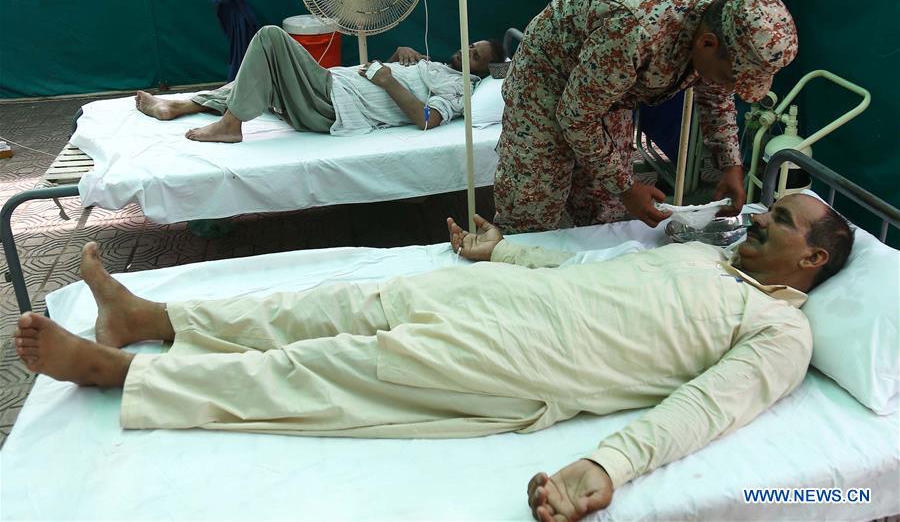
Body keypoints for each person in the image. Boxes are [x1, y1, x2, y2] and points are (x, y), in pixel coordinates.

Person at [14, 194, 852, 521]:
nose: (758, 219)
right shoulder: (706, 256)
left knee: (329, 369)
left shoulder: (781, 332)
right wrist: (505, 254)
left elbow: (703, 410)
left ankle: (122, 372)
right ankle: (150, 316)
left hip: (523, 359)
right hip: (506, 298)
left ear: (812, 259)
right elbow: (594, 274)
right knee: (323, 305)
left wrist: (608, 467)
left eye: (780, 221)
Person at [494, 0, 799, 234]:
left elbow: (716, 95)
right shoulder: (636, 31)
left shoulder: (727, 16)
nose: (728, 87)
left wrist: (731, 165)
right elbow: (576, 118)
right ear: (707, 43)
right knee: (532, 205)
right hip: (546, 78)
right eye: (729, 77)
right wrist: (626, 187)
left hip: (608, 85)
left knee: (605, 210)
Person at [134, 26, 505, 143]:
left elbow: (426, 119)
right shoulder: (438, 66)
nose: (465, 51)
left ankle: (231, 125)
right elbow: (387, 76)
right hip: (332, 88)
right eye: (470, 46)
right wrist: (397, 57)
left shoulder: (462, 90)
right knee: (262, 73)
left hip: (333, 103)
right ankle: (183, 105)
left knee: (269, 37)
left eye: (474, 56)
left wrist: (388, 79)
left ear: (485, 71)